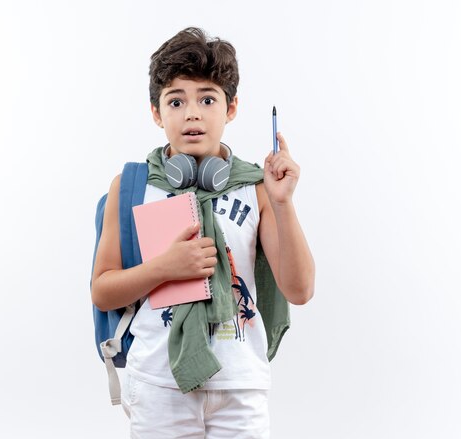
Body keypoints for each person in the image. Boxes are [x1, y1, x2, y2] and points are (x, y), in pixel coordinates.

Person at [91, 27, 315, 439]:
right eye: (176, 101)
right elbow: (103, 290)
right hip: (159, 383)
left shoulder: (257, 187)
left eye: (207, 99)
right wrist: (163, 268)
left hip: (239, 383)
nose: (192, 113)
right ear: (156, 113)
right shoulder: (132, 185)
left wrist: (282, 203)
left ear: (231, 108)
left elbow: (299, 290)